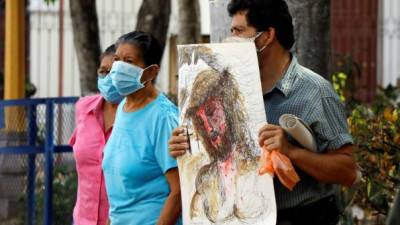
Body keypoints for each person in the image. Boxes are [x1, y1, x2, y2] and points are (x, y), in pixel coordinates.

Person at [168, 0, 358, 224]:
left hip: (305, 217)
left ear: (267, 36)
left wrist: (291, 151)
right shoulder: (231, 91)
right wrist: (186, 147)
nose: (231, 39)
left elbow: (347, 171)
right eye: (231, 31)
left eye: (239, 31)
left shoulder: (314, 91)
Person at [102, 31, 181, 225]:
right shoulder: (123, 107)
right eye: (117, 60)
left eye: (128, 61)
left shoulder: (163, 117)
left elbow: (179, 191)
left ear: (152, 71)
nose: (119, 68)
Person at [69, 44, 122, 225]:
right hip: (82, 219)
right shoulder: (83, 108)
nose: (107, 78)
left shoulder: (138, 116)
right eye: (103, 71)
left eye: (113, 72)